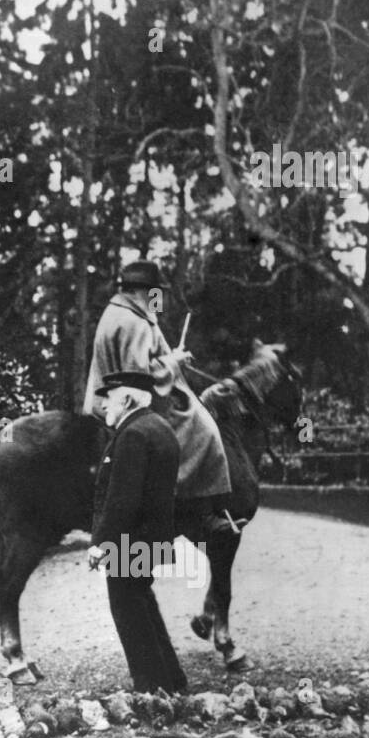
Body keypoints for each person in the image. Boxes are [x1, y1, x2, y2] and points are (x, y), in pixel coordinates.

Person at [82, 260, 233, 532]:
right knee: (204, 428)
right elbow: (139, 376)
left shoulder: (115, 312)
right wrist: (174, 361)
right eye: (156, 292)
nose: (158, 298)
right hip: (130, 401)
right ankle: (200, 511)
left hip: (105, 400)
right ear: (145, 291)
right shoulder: (135, 322)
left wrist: (169, 358)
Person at [86, 371, 187, 694]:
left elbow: (122, 499)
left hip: (129, 541)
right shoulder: (159, 427)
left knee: (128, 610)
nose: (104, 406)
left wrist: (100, 544)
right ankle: (171, 680)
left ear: (127, 399)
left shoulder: (132, 434)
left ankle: (151, 686)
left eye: (110, 398)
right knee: (142, 603)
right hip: (151, 538)